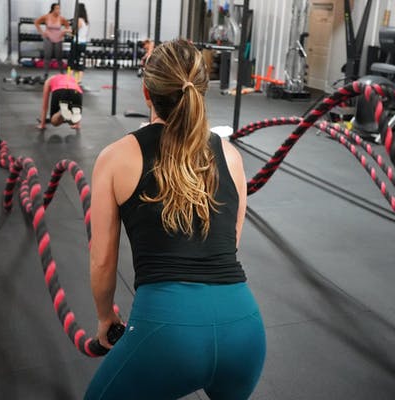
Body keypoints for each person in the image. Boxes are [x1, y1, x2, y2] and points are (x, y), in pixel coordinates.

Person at [85, 39, 266, 399]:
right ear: (201, 89)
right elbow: (230, 244)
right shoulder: (230, 156)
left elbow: (103, 260)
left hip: (168, 333)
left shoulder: (115, 158)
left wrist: (106, 318)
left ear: (146, 92)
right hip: (245, 331)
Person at [35, 3, 71, 77]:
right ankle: (46, 73)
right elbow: (36, 22)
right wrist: (42, 32)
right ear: (53, 9)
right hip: (48, 38)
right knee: (47, 56)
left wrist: (63, 33)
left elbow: (67, 26)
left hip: (58, 39)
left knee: (59, 57)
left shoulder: (61, 18)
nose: (58, 10)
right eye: (57, 9)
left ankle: (62, 73)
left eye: (59, 9)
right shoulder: (47, 17)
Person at [68, 3, 88, 83]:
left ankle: (69, 78)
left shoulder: (79, 20)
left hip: (77, 43)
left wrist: (66, 31)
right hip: (83, 43)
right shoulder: (86, 21)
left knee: (72, 61)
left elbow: (74, 32)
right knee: (80, 61)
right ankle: (78, 79)